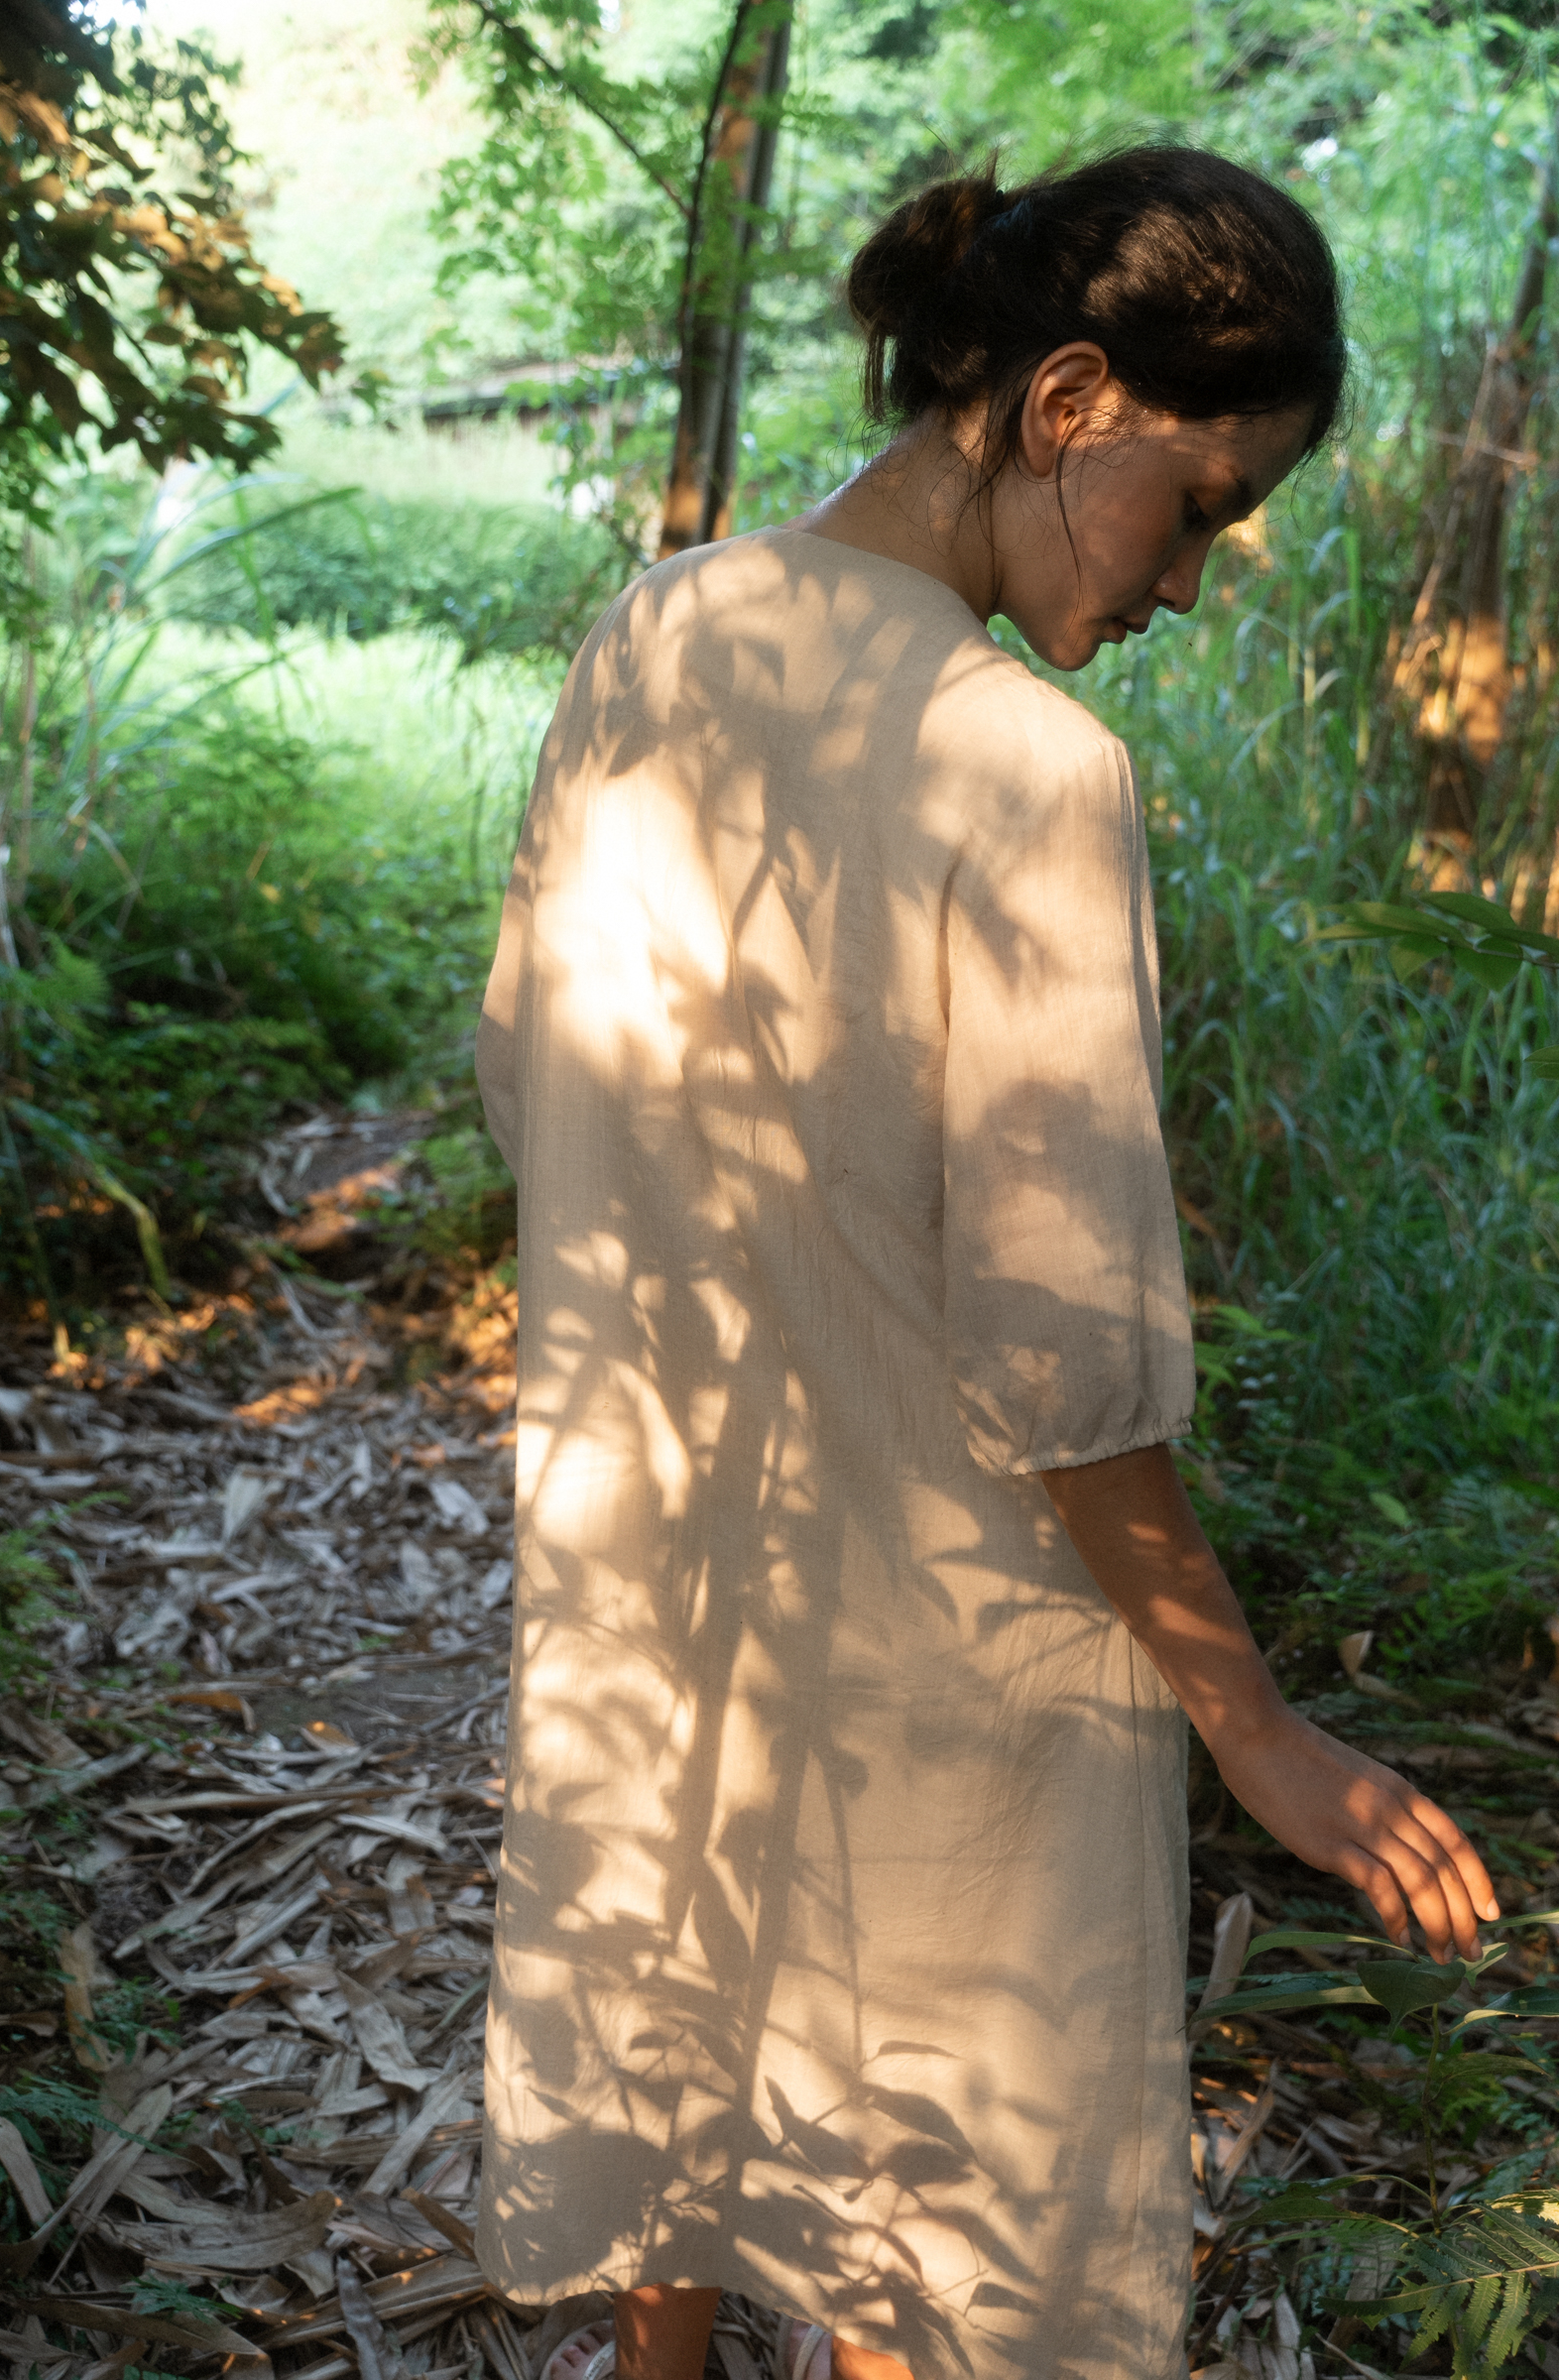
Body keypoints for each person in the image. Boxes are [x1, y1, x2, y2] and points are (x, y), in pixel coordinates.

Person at [473, 146, 1499, 2380]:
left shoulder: (652, 634)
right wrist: (1256, 1728)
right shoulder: (1025, 763)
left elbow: (524, 1077)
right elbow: (1065, 1362)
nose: (1191, 582)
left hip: (662, 1559)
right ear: (1067, 401)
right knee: (921, 2229)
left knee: (686, 2027)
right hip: (955, 1634)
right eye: (1202, 506)